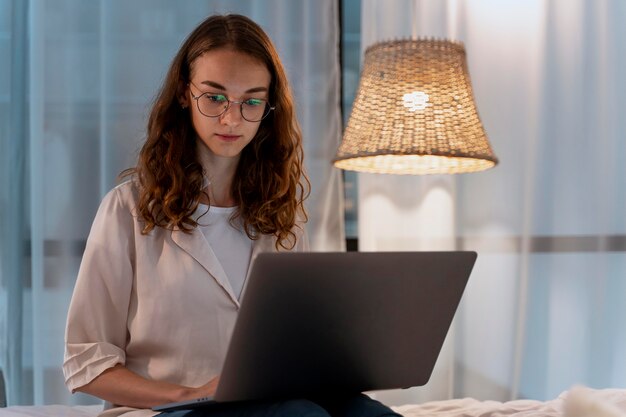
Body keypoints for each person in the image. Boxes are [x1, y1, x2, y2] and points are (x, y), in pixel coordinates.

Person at [63, 13, 401, 417]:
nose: (232, 119)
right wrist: (187, 394)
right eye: (215, 97)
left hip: (270, 400)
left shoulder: (283, 212)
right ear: (185, 94)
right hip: (171, 411)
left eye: (251, 101)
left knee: (371, 415)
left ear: (269, 107)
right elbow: (86, 364)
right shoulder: (127, 209)